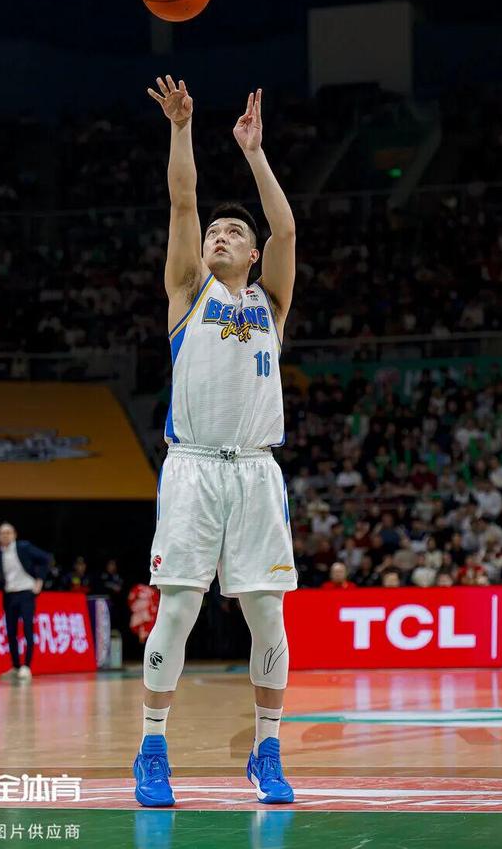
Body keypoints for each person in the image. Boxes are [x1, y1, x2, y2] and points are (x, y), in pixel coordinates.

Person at [134, 77, 297, 808]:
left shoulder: (271, 302)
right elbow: (182, 202)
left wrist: (254, 154)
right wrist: (181, 128)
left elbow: (286, 232)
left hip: (256, 472)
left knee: (268, 617)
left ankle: (267, 752)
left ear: (253, 254)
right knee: (176, 610)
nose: (218, 236)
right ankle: (152, 749)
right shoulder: (187, 292)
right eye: (214, 234)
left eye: (233, 233)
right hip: (193, 468)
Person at [0, 523, 50, 684]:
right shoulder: (0, 554)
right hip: (9, 595)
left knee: (27, 628)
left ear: (14, 534)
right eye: (2, 533)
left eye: (8, 532)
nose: (5, 536)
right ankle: (15, 666)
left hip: (26, 592)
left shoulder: (24, 547)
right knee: (11, 631)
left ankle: (26, 666)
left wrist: (40, 580)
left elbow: (45, 558)